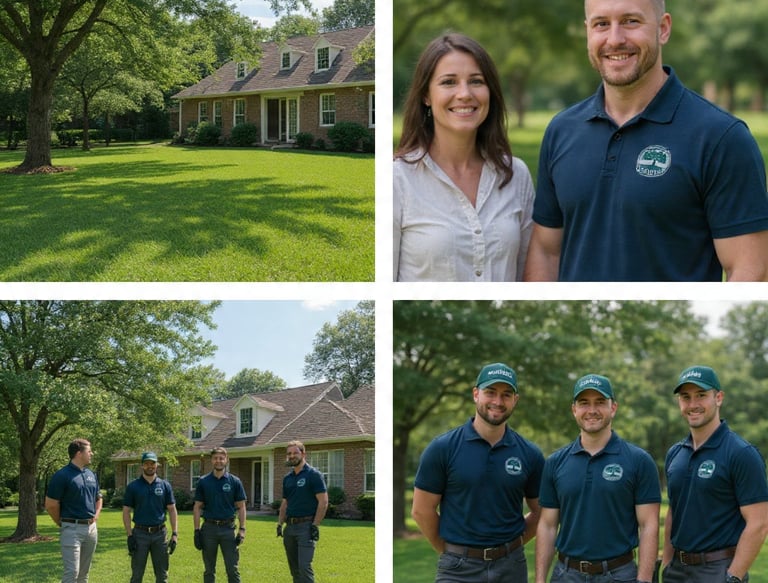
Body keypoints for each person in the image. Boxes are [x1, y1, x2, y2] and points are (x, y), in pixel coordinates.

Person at [524, 0, 768, 282]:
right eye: (601, 24)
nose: (615, 39)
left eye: (631, 21)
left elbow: (752, 270)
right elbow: (546, 251)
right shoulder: (561, 130)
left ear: (663, 29)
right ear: (588, 32)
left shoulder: (721, 137)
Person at [393, 33, 535, 282]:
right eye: (449, 82)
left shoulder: (516, 175)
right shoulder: (397, 179)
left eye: (476, 81)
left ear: (489, 91)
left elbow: (527, 276)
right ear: (426, 96)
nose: (464, 94)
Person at [412, 363, 544, 582]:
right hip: (457, 570)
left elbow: (542, 512)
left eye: (506, 395)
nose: (497, 401)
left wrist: (513, 545)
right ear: (476, 394)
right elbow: (421, 510)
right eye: (490, 392)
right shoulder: (443, 448)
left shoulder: (530, 454)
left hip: (511, 567)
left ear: (515, 400)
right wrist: (451, 551)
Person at [535, 374, 660, 583]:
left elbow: (649, 525)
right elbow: (547, 526)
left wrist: (645, 579)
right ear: (574, 409)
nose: (592, 410)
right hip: (567, 575)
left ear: (613, 408)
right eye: (584, 403)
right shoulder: (555, 462)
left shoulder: (639, 461)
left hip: (620, 574)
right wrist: (539, 580)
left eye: (600, 402)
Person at [662, 365, 768, 583]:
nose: (693, 404)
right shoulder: (675, 453)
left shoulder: (741, 453)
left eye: (701, 395)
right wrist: (666, 564)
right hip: (677, 571)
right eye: (685, 397)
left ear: (718, 398)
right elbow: (675, 512)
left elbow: (759, 522)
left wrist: (733, 577)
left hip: (718, 571)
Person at [44, 438, 103, 583]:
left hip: (91, 529)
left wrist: (95, 516)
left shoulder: (91, 474)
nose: (92, 454)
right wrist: (61, 522)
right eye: (89, 451)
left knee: (84, 574)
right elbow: (51, 504)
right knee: (72, 573)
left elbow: (98, 498)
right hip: (72, 529)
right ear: (79, 453)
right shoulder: (62, 475)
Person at [193, 447, 248, 583]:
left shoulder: (235, 481)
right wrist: (196, 531)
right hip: (208, 530)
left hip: (228, 529)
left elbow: (241, 507)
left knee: (232, 569)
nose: (218, 461)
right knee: (209, 570)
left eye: (221, 458)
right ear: (212, 460)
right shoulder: (203, 481)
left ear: (226, 460)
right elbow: (197, 507)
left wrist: (242, 529)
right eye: (216, 458)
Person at [277, 440, 329, 583]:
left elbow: (323, 501)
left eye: (295, 452)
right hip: (290, 528)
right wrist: (280, 524)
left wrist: (315, 525)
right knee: (294, 569)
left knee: (304, 567)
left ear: (303, 453)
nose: (292, 456)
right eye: (289, 454)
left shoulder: (313, 475)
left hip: (306, 527)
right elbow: (285, 503)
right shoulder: (287, 478)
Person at [122, 451, 178, 583]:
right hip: (140, 534)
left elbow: (172, 510)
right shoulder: (133, 486)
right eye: (146, 463)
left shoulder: (165, 485)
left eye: (152, 463)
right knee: (137, 575)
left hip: (160, 534)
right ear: (142, 466)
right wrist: (130, 535)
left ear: (157, 465)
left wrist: (175, 533)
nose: (150, 466)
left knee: (162, 575)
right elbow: (126, 511)